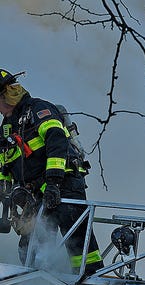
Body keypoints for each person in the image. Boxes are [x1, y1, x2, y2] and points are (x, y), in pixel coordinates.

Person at [0, 69, 103, 274]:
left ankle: (92, 282)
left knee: (76, 240)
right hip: (36, 195)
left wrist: (54, 184)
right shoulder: (7, 127)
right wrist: (6, 197)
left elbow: (57, 142)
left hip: (64, 185)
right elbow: (4, 162)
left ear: (5, 95)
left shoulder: (39, 110)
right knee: (29, 249)